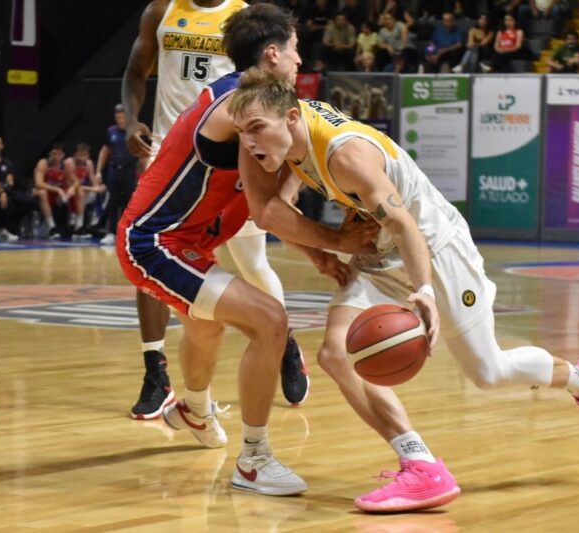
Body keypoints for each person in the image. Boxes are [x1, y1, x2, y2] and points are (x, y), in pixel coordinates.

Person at [230, 69, 579, 512]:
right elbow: (275, 207)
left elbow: (405, 225)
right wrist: (323, 253)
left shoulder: (347, 156)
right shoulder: (285, 134)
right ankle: (420, 464)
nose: (248, 142)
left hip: (433, 247)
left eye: (256, 129)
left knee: (489, 372)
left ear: (290, 117)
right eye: (242, 132)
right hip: (378, 249)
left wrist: (423, 289)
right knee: (335, 354)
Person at [117, 4, 377, 496]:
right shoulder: (245, 110)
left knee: (206, 325)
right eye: (295, 49)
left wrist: (317, 254)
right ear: (272, 53)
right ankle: (254, 460)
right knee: (270, 320)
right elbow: (268, 211)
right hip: (155, 243)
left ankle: (194, 410)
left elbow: (269, 205)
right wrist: (336, 242)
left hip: (188, 243)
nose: (300, 59)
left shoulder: (253, 101)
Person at [121, 0, 310, 420]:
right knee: (156, 257)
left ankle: (283, 342)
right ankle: (155, 372)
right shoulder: (161, 10)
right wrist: (132, 120)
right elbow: (135, 71)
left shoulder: (246, 17)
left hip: (233, 146)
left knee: (252, 262)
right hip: (175, 145)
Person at [97, 104, 137, 246]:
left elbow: (143, 153)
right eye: (117, 117)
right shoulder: (111, 132)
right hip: (114, 170)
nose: (120, 120)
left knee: (131, 202)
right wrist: (98, 171)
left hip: (129, 171)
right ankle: (111, 232)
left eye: (122, 117)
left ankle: (129, 232)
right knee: (112, 202)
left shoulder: (134, 131)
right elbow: (105, 151)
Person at [34, 143, 77, 239]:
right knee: (42, 192)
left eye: (59, 154)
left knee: (76, 191)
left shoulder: (65, 165)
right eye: (54, 153)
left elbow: (76, 181)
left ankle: (75, 225)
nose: (56, 156)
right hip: (43, 194)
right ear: (49, 154)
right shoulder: (44, 163)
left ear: (63, 155)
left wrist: (73, 188)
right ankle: (52, 227)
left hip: (57, 196)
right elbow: (38, 183)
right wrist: (57, 189)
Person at [68, 142, 101, 236]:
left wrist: (98, 187)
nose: (82, 157)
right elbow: (75, 183)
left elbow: (94, 183)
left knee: (103, 190)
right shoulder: (69, 162)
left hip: (82, 191)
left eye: (84, 154)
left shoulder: (89, 163)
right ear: (75, 154)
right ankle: (78, 225)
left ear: (88, 155)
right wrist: (91, 188)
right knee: (80, 191)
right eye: (80, 154)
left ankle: (95, 221)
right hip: (69, 191)